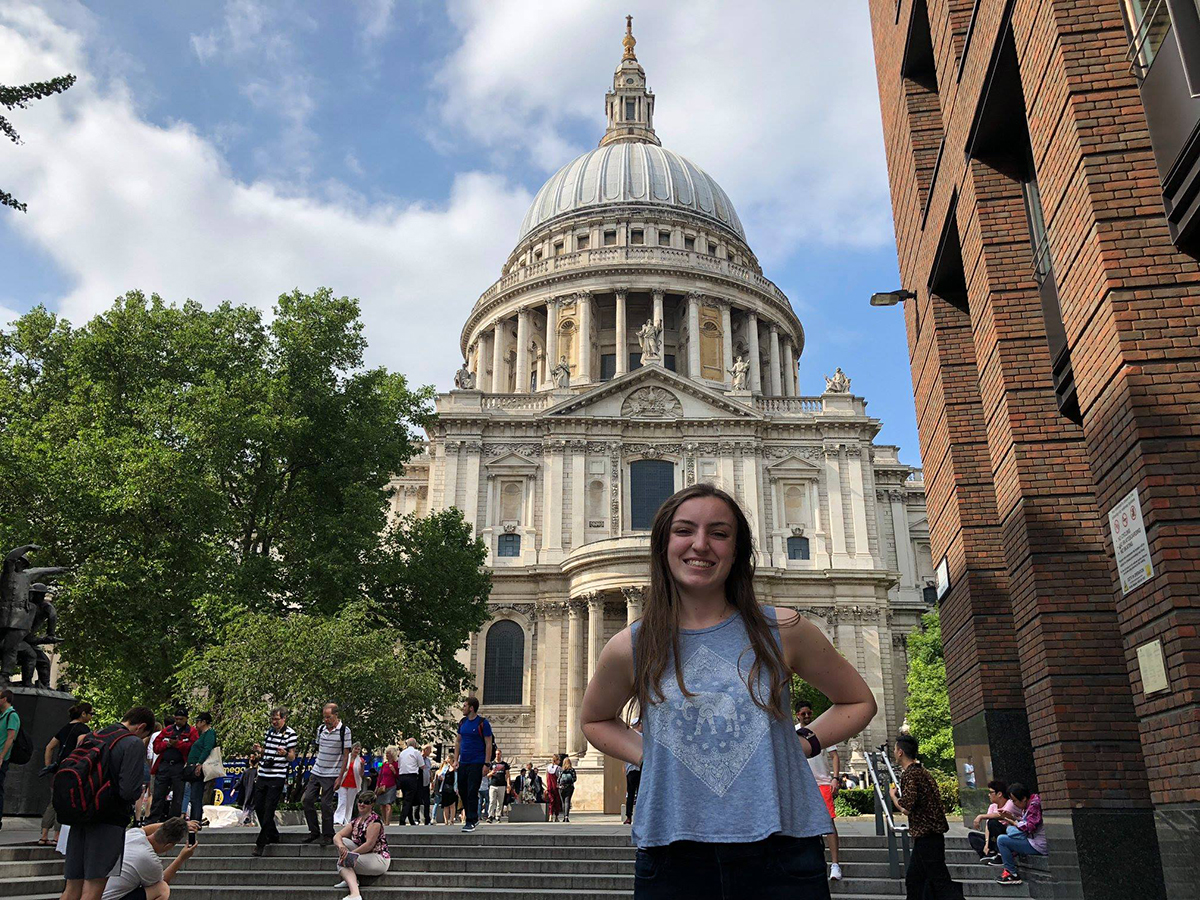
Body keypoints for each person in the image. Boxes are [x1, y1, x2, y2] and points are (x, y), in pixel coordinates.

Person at [579, 483, 878, 900]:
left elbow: (859, 700)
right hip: (673, 849)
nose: (700, 544)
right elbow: (594, 719)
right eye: (684, 530)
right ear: (664, 544)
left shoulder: (782, 629)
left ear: (736, 551)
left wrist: (803, 743)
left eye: (719, 533)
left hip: (782, 846)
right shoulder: (632, 644)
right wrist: (653, 752)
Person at [59, 706, 156, 900]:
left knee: (71, 888)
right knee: (93, 889)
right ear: (141, 727)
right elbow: (128, 790)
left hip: (80, 815)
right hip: (108, 820)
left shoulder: (94, 735)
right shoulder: (132, 743)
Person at [889, 733, 961, 900]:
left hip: (927, 835)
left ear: (900, 752)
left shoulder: (911, 774)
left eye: (894, 750)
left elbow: (906, 807)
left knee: (939, 882)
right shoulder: (922, 772)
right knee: (915, 880)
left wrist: (893, 796)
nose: (893, 753)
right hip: (930, 835)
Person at [99, 816, 198, 900]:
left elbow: (146, 829)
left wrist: (179, 824)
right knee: (163, 889)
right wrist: (181, 858)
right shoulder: (149, 860)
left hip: (96, 893)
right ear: (168, 846)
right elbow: (163, 880)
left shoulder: (133, 834)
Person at [797, 700, 843, 880]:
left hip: (823, 782)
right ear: (798, 715)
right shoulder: (792, 732)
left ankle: (835, 864)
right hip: (802, 783)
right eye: (803, 714)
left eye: (809, 713)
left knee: (829, 823)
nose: (807, 716)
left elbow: (834, 756)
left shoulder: (821, 730)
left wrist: (835, 778)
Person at [40, 703, 94, 845]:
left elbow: (49, 747)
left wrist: (49, 766)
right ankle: (57, 835)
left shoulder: (64, 728)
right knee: (65, 802)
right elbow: (80, 746)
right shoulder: (83, 729)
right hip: (72, 770)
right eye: (91, 714)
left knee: (53, 802)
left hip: (58, 770)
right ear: (84, 714)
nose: (91, 717)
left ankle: (44, 835)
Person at [303, 703, 351, 847]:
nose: (326, 720)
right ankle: (314, 831)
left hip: (332, 773)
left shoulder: (344, 731)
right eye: (324, 717)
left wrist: (340, 777)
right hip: (317, 770)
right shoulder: (321, 729)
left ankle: (328, 834)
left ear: (336, 715)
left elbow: (346, 756)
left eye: (328, 717)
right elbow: (320, 748)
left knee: (325, 804)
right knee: (307, 799)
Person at [253, 707, 297, 857]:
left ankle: (261, 842)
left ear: (284, 719)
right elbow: (267, 751)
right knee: (258, 806)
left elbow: (292, 757)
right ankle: (272, 833)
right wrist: (260, 750)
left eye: (277, 719)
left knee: (269, 808)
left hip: (277, 775)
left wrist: (285, 753)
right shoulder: (269, 732)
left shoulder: (290, 734)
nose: (274, 722)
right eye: (272, 719)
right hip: (264, 773)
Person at [333, 789, 391, 900]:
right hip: (364, 854)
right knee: (343, 841)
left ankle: (355, 894)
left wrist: (350, 854)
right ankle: (351, 878)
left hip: (378, 858)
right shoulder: (356, 820)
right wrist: (341, 846)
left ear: (372, 804)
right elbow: (337, 836)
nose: (362, 804)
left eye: (366, 802)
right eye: (360, 801)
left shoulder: (375, 822)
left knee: (342, 863)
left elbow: (369, 845)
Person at [452, 696, 493, 833]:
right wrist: (456, 759)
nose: (462, 708)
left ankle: (470, 820)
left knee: (472, 791)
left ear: (471, 708)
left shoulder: (482, 723)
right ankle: (472, 817)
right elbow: (458, 741)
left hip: (477, 762)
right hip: (464, 762)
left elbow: (488, 744)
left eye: (464, 706)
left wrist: (486, 764)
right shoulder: (462, 723)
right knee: (462, 791)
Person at [993, 782, 1047, 886]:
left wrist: (1014, 822)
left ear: (1024, 799)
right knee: (1009, 833)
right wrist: (1012, 818)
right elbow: (1025, 820)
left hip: (1038, 845)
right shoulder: (1029, 805)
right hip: (1032, 840)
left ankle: (1011, 873)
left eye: (1014, 801)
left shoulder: (1034, 806)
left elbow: (1029, 826)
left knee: (1002, 840)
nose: (1013, 804)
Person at [149, 707, 196, 823]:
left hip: (179, 766)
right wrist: (168, 744)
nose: (178, 721)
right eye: (177, 718)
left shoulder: (191, 731)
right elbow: (156, 747)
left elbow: (192, 747)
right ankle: (154, 819)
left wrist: (178, 744)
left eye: (181, 719)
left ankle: (173, 820)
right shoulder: (167, 730)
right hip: (164, 765)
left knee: (178, 796)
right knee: (158, 794)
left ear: (186, 719)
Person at [184, 711, 218, 823]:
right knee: (193, 795)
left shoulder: (209, 733)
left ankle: (196, 819)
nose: (196, 724)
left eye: (198, 721)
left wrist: (199, 763)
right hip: (194, 766)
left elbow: (207, 748)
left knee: (196, 796)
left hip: (200, 767)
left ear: (204, 722)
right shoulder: (202, 735)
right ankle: (194, 818)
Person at [968, 781, 1015, 862]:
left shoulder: (1010, 803)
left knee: (993, 823)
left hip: (1005, 834)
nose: (988, 795)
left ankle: (998, 854)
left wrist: (981, 816)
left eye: (991, 792)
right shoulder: (992, 806)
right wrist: (987, 844)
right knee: (972, 836)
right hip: (992, 839)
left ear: (999, 794)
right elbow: (987, 827)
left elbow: (1001, 815)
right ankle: (987, 854)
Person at [0, 688, 20, 829]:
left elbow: (11, 737)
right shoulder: (2, 715)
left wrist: (2, 756)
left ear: (4, 699)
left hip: (1, 758)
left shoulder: (11, 715)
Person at [335, 743, 365, 826]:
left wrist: (362, 766)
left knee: (350, 803)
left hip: (354, 783)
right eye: (356, 748)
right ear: (352, 748)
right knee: (342, 801)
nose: (357, 751)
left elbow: (361, 774)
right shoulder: (345, 757)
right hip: (343, 782)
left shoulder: (360, 760)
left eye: (358, 749)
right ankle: (338, 819)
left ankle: (347, 820)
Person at [397, 737, 423, 825]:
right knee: (408, 799)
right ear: (414, 744)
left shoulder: (402, 753)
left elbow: (399, 765)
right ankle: (402, 818)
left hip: (402, 777)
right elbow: (422, 765)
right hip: (411, 776)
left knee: (407, 797)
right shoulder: (416, 752)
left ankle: (411, 820)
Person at [622, 719, 642, 825]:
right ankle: (640, 817)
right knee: (640, 794)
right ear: (638, 725)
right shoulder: (642, 737)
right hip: (640, 769)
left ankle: (628, 817)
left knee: (630, 795)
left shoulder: (628, 738)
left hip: (630, 771)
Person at [375, 746, 399, 827]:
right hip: (383, 786)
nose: (387, 755)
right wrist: (377, 786)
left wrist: (394, 771)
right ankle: (384, 820)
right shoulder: (384, 764)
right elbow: (380, 776)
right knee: (382, 805)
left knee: (388, 804)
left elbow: (398, 776)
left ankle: (387, 822)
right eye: (386, 753)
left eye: (389, 753)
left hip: (391, 786)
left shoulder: (396, 764)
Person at [235, 750, 260, 826]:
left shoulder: (246, 771)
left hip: (246, 793)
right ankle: (250, 820)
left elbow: (240, 781)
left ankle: (245, 819)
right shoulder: (257, 772)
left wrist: (234, 788)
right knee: (252, 806)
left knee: (246, 806)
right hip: (254, 792)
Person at [487, 750, 511, 823]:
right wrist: (491, 773)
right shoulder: (492, 764)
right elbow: (487, 775)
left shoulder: (505, 765)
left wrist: (508, 784)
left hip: (502, 785)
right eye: (496, 754)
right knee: (492, 801)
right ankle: (490, 815)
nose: (497, 755)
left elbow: (507, 775)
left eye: (499, 754)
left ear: (501, 755)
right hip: (493, 785)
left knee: (500, 802)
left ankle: (498, 816)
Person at [436, 759, 458, 825]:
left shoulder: (456, 769)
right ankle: (446, 820)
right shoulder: (445, 767)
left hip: (452, 788)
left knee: (452, 805)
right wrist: (440, 777)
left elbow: (457, 779)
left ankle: (451, 820)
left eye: (448, 758)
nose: (446, 760)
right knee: (445, 805)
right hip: (445, 788)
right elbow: (440, 775)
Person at [546, 753, 563, 821]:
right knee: (557, 802)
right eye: (559, 760)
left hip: (549, 786)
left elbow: (547, 777)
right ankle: (556, 816)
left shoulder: (548, 767)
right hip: (556, 787)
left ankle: (550, 815)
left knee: (551, 801)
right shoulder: (558, 768)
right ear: (556, 760)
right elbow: (560, 778)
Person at [559, 756, 577, 822]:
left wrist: (559, 785)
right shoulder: (572, 770)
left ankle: (564, 817)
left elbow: (558, 779)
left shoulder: (561, 770)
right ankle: (566, 817)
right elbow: (574, 779)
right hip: (570, 787)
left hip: (562, 787)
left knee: (563, 802)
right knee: (567, 801)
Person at [419, 744, 433, 824]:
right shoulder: (419, 758)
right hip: (420, 782)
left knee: (427, 801)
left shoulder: (428, 760)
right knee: (418, 801)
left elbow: (429, 770)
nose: (430, 752)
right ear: (425, 750)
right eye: (429, 750)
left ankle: (427, 818)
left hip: (426, 783)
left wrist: (431, 780)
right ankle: (417, 818)